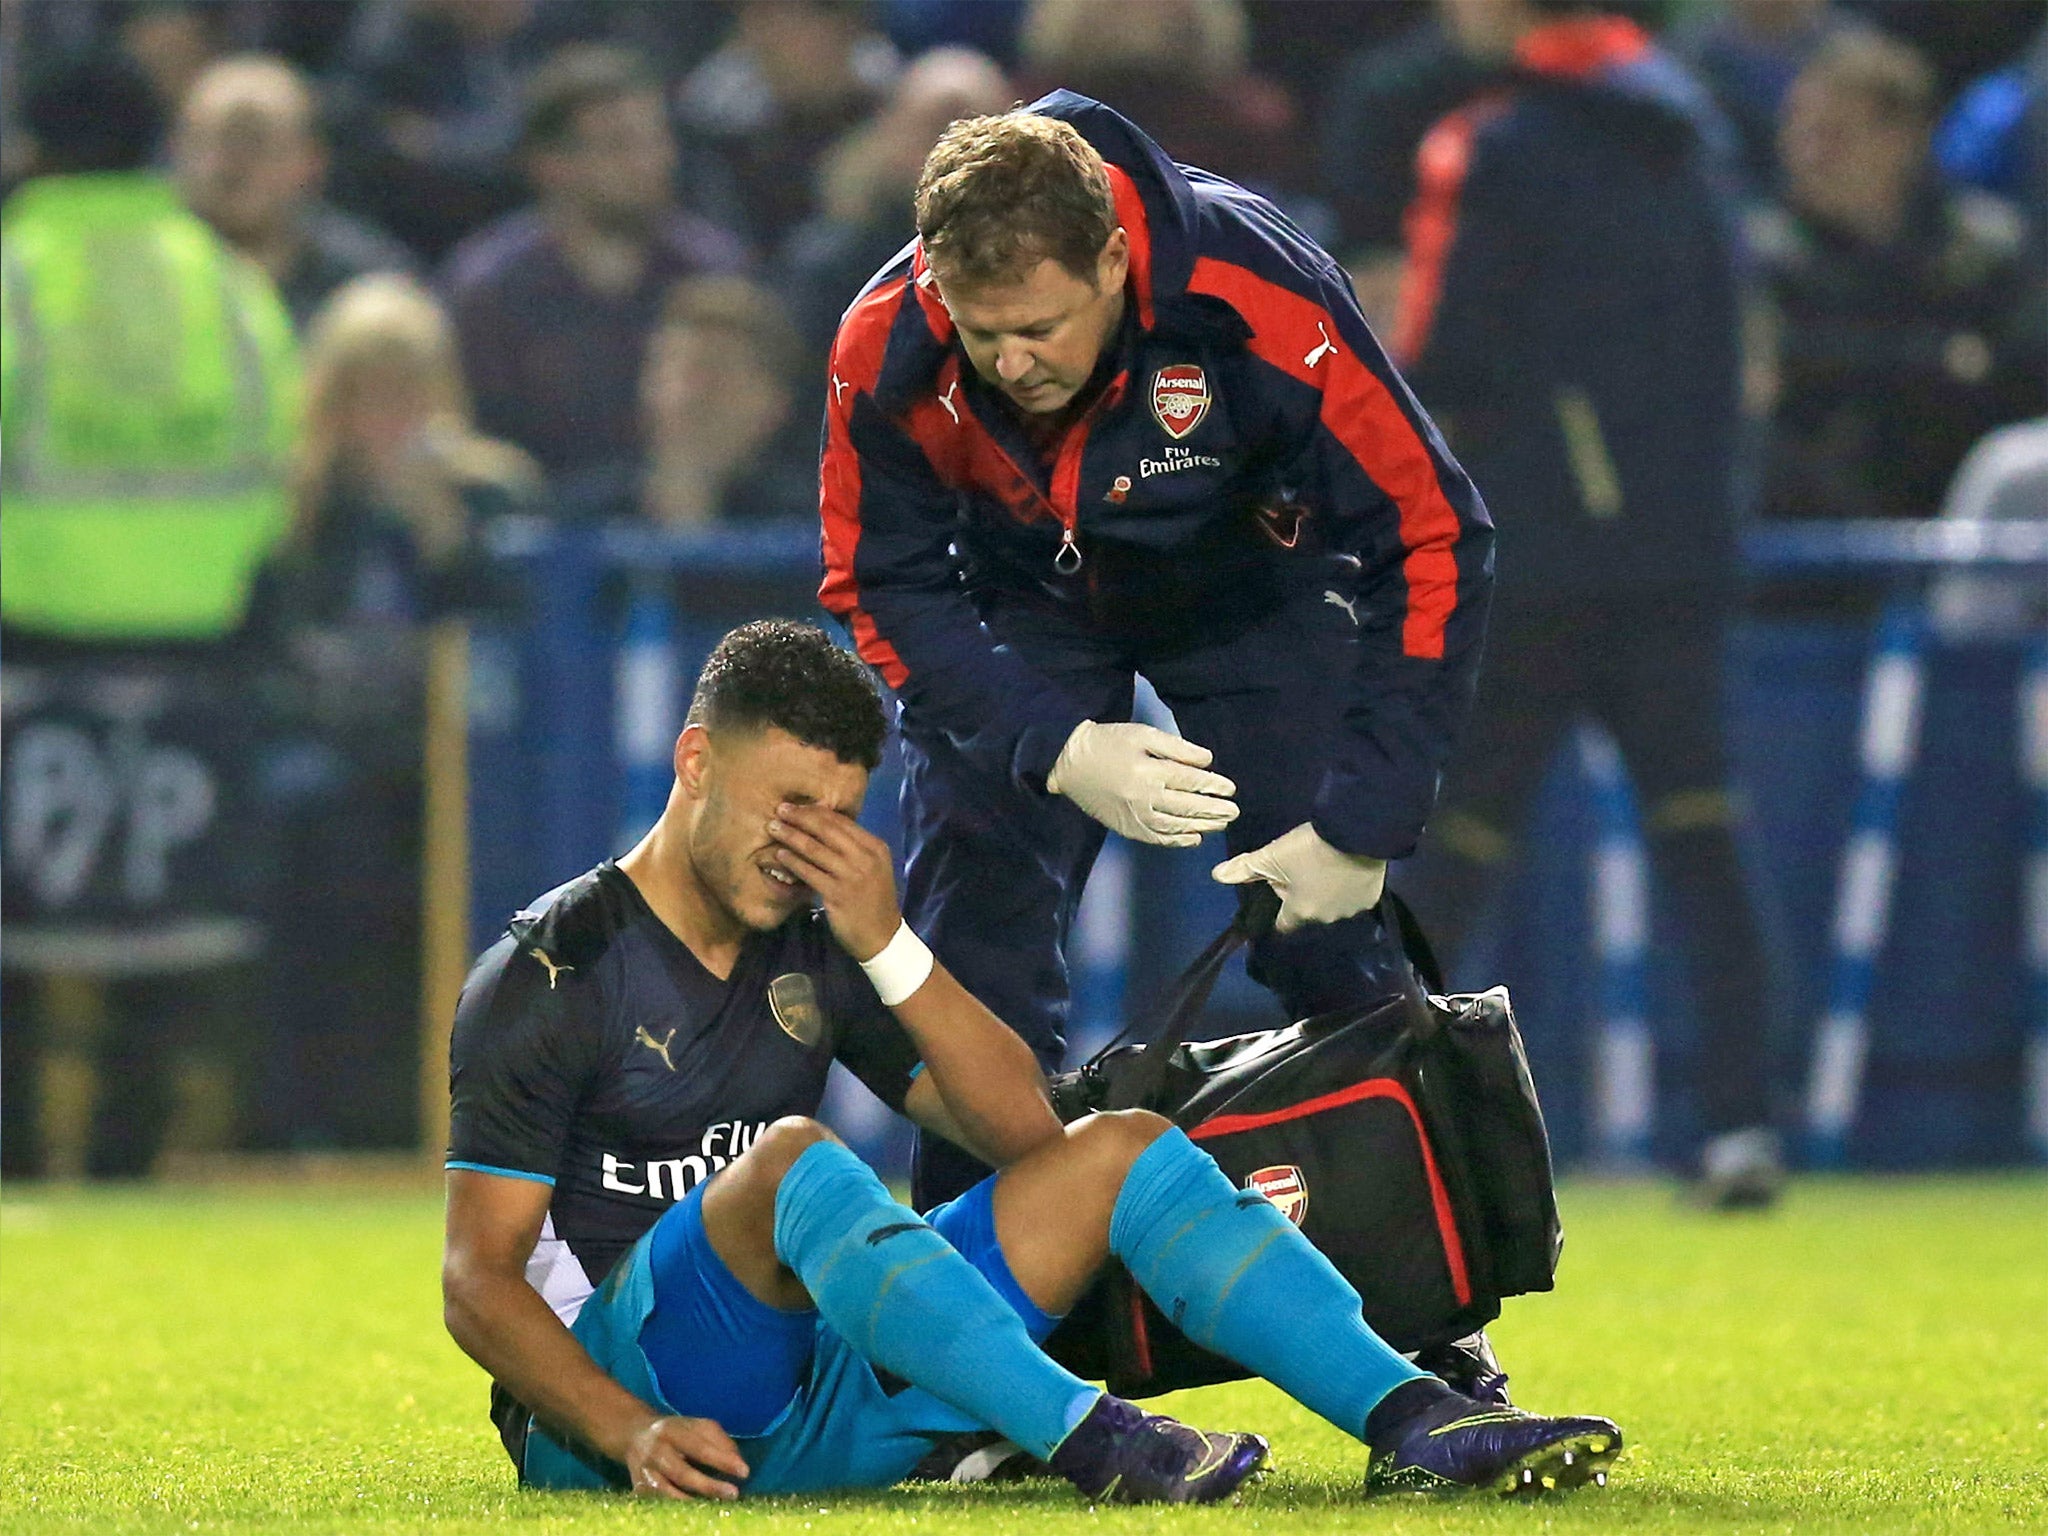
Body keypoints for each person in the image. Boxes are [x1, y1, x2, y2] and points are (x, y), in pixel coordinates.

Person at [439, 619, 1622, 1500]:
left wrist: (890, 944)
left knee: (1125, 1153)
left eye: (836, 814)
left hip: (810, 1404)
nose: (805, 845)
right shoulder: (552, 973)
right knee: (798, 1161)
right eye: (782, 803)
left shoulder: (818, 939)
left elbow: (1020, 1140)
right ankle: (1088, 1438)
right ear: (693, 760)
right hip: (615, 1422)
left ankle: (1411, 1419)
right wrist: (623, 1429)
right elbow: (477, 1283)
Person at [817, 95, 1494, 1210]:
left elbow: (1429, 534)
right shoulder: (886, 340)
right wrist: (1055, 741)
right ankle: (969, 1326)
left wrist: (1368, 818)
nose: (1009, 363)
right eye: (980, 335)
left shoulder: (1258, 291)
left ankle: (1429, 1322)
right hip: (1023, 599)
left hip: (1252, 582)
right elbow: (880, 586)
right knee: (972, 957)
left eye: (1039, 328)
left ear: (1117, 261)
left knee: (1333, 943)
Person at [1387, 0, 1782, 1203]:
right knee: (1701, 835)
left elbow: (1436, 348)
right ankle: (1739, 1127)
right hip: (1682, 550)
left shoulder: (1487, 143)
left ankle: (1373, 1110)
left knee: (1453, 844)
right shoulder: (1694, 129)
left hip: (1540, 555)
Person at [0, 46, 298, 1179]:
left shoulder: (16, 270)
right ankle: (131, 1164)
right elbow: (279, 447)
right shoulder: (221, 280)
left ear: (35, 146)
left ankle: (22, 1160)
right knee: (169, 932)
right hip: (198, 644)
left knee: (25, 931)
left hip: (31, 635)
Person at [244, 274, 535, 1149]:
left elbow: (513, 636)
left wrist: (441, 534)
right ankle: (315, 1122)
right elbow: (270, 645)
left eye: (408, 392)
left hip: (459, 769)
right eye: (363, 394)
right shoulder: (295, 511)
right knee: (311, 837)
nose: (387, 417)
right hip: (328, 762)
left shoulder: (495, 496)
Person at [1750, 28, 2046, 616]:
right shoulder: (1762, 259)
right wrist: (1941, 363)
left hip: (1964, 548)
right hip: (1805, 576)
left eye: (1834, 135)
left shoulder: (1988, 253)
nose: (1808, 152)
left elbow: (2022, 384)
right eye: (1800, 129)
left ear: (1904, 139)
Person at [443, 42, 747, 483]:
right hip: (536, 532)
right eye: (617, 146)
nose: (647, 163)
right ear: (550, 165)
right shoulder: (488, 291)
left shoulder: (713, 275)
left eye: (655, 140)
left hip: (692, 523)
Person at [173, 54, 418, 332]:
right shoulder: (138, 273)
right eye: (213, 142)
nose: (231, 166)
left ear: (311, 161)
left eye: (256, 142)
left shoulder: (368, 286)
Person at [552, 274, 815, 528]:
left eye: (718, 373)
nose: (693, 395)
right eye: (678, 369)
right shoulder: (581, 518)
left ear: (775, 403)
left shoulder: (812, 525)